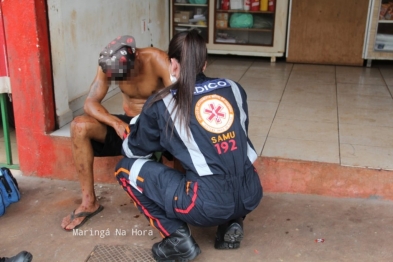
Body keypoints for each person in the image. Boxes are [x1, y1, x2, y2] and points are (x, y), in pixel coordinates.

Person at [115, 29, 263, 261]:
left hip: (204, 204)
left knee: (124, 169)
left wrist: (139, 125)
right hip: (251, 193)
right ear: (204, 64)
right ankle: (231, 223)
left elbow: (135, 150)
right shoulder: (234, 88)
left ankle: (177, 240)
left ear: (173, 64)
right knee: (223, 155)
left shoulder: (163, 102)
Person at [61, 35, 174, 231]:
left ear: (136, 56)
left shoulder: (156, 59)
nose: (125, 80)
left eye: (127, 73)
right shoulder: (108, 64)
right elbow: (90, 102)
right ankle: (89, 202)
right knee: (79, 126)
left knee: (181, 136)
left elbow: (181, 98)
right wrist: (115, 123)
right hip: (129, 127)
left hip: (158, 125)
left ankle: (179, 201)